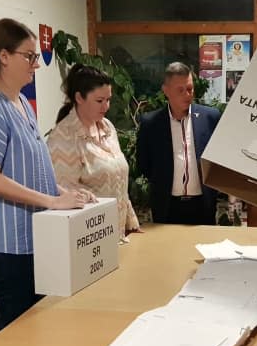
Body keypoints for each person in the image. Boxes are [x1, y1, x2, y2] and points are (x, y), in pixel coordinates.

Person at [0, 18, 90, 328]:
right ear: (4, 57)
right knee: (21, 330)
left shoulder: (22, 101)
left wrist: (64, 194)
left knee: (43, 325)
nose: (35, 64)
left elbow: (32, 168)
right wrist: (51, 203)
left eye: (36, 57)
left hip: (33, 236)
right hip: (8, 243)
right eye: (29, 56)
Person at [48, 64, 141, 242]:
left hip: (118, 234)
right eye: (99, 101)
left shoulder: (107, 127)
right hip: (89, 240)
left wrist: (131, 222)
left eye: (108, 100)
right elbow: (66, 199)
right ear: (79, 98)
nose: (106, 106)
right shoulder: (63, 138)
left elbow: (119, 181)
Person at [137, 62, 221, 224]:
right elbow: (144, 165)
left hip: (203, 205)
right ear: (166, 90)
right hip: (167, 206)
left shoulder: (210, 117)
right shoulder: (151, 123)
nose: (187, 94)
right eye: (180, 90)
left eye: (190, 89)